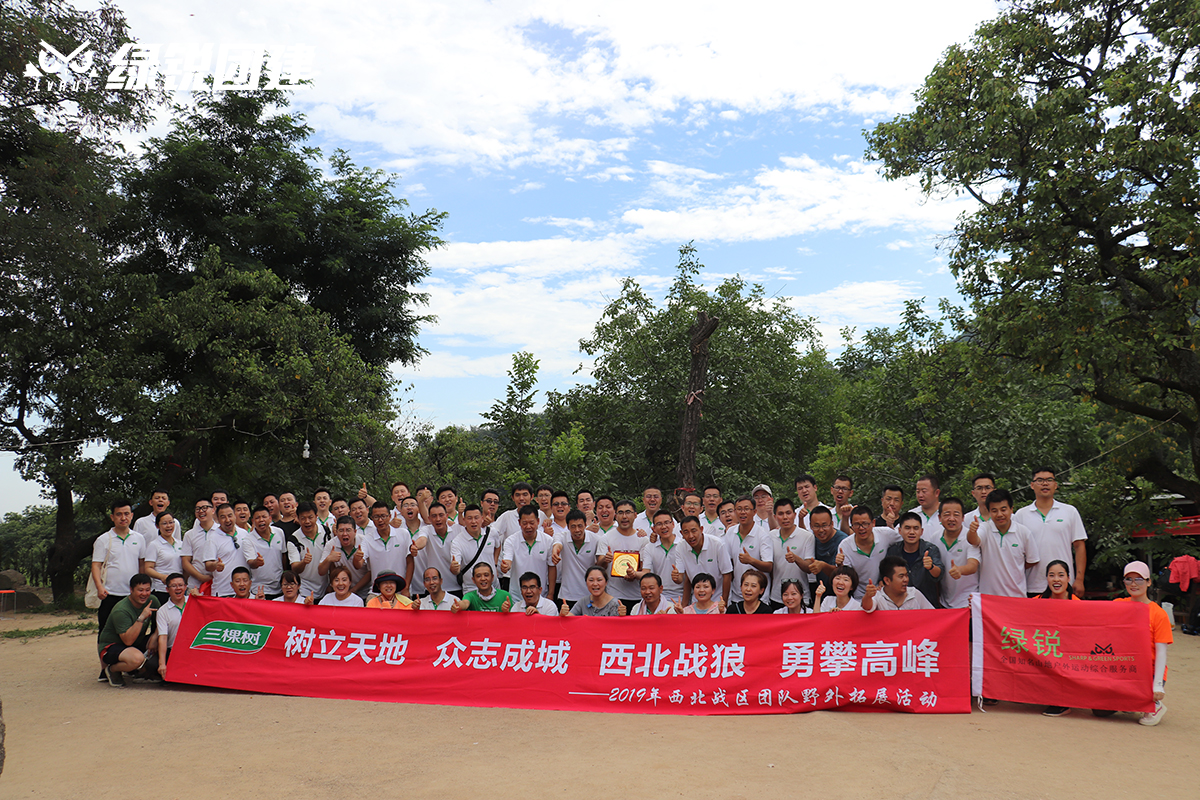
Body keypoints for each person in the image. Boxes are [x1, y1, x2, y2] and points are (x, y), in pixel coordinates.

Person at [1110, 560, 1171, 726]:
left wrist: (1158, 685)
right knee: (1101, 710)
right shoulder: (1117, 606)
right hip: (1123, 669)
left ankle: (1155, 704)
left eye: (1139, 579)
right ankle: (1130, 701)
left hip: (1147, 673)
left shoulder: (1158, 614)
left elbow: (1161, 651)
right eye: (1128, 579)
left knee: (1147, 719)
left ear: (1148, 582)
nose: (1133, 584)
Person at [91, 500, 146, 681]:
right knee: (106, 631)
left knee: (133, 631)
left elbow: (141, 565)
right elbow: (96, 566)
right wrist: (100, 587)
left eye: (127, 513)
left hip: (132, 596)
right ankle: (104, 668)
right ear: (112, 517)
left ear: (131, 515)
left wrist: (143, 589)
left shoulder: (139, 538)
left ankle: (128, 665)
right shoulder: (103, 539)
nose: (123, 517)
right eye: (119, 514)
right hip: (110, 594)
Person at [1014, 467, 1088, 597]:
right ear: (1032, 485)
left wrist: (1080, 579)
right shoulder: (1021, 515)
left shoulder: (1069, 512)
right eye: (1040, 480)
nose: (1045, 483)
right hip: (1032, 584)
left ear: (1055, 485)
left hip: (1063, 584)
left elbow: (1079, 546)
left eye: (1049, 480)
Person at [967, 489, 1039, 597]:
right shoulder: (985, 528)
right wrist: (972, 531)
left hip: (1017, 597)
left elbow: (1032, 560)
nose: (999, 514)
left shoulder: (1023, 532)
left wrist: (1013, 566)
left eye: (1003, 509)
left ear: (1011, 509)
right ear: (989, 511)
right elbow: (974, 540)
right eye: (994, 510)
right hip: (989, 598)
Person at [96, 573, 159, 687]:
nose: (144, 594)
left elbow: (161, 623)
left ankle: (145, 672)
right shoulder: (121, 610)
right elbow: (128, 641)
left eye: (147, 590)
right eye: (140, 590)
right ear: (131, 590)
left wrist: (155, 636)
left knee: (163, 639)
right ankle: (112, 670)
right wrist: (141, 618)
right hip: (112, 646)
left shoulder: (152, 600)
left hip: (135, 642)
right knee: (136, 659)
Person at [1037, 560, 1082, 717]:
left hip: (1069, 656)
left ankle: (1064, 701)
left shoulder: (1078, 605)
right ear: (1047, 579)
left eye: (1061, 575)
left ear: (1068, 578)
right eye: (1052, 575)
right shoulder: (1036, 603)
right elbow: (1012, 615)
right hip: (1045, 653)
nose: (1056, 579)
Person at [924, 497, 979, 609]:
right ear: (939, 518)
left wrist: (960, 570)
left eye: (956, 514)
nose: (951, 519)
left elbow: (973, 566)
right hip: (944, 602)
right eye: (947, 514)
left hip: (968, 602)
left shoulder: (970, 537)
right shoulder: (935, 537)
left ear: (963, 517)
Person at [836, 505, 901, 598]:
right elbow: (846, 577)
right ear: (852, 525)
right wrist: (840, 565)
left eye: (865, 524)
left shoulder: (886, 534)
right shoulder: (845, 546)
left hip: (885, 593)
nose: (861, 528)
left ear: (873, 523)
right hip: (859, 596)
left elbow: (905, 544)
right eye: (857, 524)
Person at [358, 501, 419, 600]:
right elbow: (359, 564)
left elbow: (410, 562)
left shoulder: (403, 534)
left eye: (383, 516)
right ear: (372, 519)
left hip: (400, 591)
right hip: (377, 593)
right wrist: (357, 559)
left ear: (389, 516)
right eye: (376, 517)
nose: (380, 520)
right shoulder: (367, 539)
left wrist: (406, 587)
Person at [595, 500, 645, 612]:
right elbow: (599, 566)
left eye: (628, 512)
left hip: (637, 596)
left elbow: (645, 568)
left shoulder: (643, 540)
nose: (624, 516)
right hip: (613, 595)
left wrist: (634, 574)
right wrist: (605, 559)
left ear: (635, 515)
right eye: (621, 513)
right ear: (616, 516)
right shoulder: (606, 538)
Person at [885, 512, 943, 607]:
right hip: (900, 606)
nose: (912, 532)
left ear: (921, 531)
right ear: (900, 531)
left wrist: (931, 567)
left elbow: (939, 574)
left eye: (916, 528)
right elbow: (885, 578)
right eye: (907, 528)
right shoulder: (893, 551)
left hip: (927, 605)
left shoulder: (931, 549)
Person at [674, 516, 733, 607]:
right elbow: (684, 578)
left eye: (694, 531)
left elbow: (727, 574)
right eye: (686, 532)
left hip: (718, 599)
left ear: (701, 529)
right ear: (681, 533)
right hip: (697, 601)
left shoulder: (717, 544)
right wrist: (676, 577)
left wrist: (723, 602)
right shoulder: (680, 547)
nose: (691, 536)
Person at [500, 504, 556, 600]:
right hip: (517, 596)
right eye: (524, 523)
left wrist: (551, 594)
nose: (528, 526)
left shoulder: (548, 541)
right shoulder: (511, 541)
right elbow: (508, 559)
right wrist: (506, 566)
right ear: (519, 522)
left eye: (532, 523)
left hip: (541, 596)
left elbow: (551, 568)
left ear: (538, 521)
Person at [769, 497, 815, 609]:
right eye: (780, 514)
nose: (785, 517)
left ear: (794, 515)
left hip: (800, 596)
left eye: (788, 513)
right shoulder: (770, 536)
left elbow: (810, 567)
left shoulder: (807, 536)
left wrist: (796, 559)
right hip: (776, 596)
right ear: (775, 517)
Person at [728, 495, 774, 604]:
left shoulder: (763, 534)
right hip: (736, 595)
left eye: (746, 509)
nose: (742, 512)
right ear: (735, 512)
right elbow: (729, 563)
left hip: (759, 597)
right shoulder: (730, 532)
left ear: (754, 512)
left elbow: (769, 566)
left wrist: (751, 560)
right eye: (739, 509)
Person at [550, 509, 600, 610]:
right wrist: (555, 551)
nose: (577, 530)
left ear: (586, 525)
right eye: (573, 526)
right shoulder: (561, 536)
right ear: (567, 526)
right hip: (567, 595)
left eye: (580, 526)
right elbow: (557, 544)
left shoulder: (596, 539)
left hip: (589, 595)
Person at [412, 501, 458, 597]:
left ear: (446, 516)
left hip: (456, 586)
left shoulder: (457, 529)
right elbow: (422, 540)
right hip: (433, 588)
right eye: (434, 516)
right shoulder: (426, 529)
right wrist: (415, 546)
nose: (438, 519)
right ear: (429, 518)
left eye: (441, 515)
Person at [203, 503, 249, 598]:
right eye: (223, 517)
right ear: (218, 519)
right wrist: (216, 565)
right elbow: (208, 565)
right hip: (223, 592)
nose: (227, 520)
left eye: (230, 516)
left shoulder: (244, 533)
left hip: (243, 591)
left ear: (235, 516)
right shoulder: (212, 537)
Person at [450, 504, 498, 596]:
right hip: (471, 590)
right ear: (464, 520)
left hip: (493, 586)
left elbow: (497, 546)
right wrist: (454, 568)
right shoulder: (457, 542)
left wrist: (495, 564)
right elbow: (456, 568)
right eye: (469, 518)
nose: (473, 522)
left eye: (476, 518)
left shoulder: (492, 532)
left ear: (482, 518)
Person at [287, 501, 332, 599]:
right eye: (303, 518)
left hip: (327, 588)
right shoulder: (293, 540)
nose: (307, 521)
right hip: (305, 589)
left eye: (310, 517)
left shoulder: (327, 532)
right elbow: (295, 568)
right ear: (298, 519)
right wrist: (303, 562)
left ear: (316, 517)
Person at [320, 515, 370, 598]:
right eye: (341, 530)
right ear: (336, 532)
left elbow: (369, 571)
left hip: (364, 591)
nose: (345, 534)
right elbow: (321, 572)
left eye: (348, 530)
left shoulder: (365, 541)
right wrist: (328, 559)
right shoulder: (331, 544)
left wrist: (354, 590)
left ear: (355, 531)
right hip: (341, 591)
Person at [143, 511, 183, 606]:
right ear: (157, 526)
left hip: (179, 590)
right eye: (164, 523)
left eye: (171, 522)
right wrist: (162, 577)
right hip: (162, 590)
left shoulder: (181, 544)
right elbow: (148, 568)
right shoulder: (154, 545)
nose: (168, 526)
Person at [244, 506, 285, 598]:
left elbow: (283, 555)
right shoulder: (248, 539)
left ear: (270, 518)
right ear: (253, 521)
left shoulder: (279, 532)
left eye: (264, 517)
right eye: (257, 518)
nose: (261, 520)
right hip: (259, 589)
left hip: (279, 587)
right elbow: (250, 562)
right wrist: (256, 562)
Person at [807, 506, 847, 599]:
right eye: (816, 526)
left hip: (840, 595)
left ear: (832, 524)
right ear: (811, 526)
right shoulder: (811, 539)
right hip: (820, 593)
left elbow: (843, 573)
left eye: (824, 525)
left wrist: (823, 566)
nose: (821, 530)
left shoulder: (842, 541)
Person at [155, 573, 188, 681]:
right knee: (152, 666)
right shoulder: (162, 611)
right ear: (167, 589)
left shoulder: (194, 601)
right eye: (174, 586)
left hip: (192, 649)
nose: (178, 588)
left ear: (185, 587)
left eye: (181, 585)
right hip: (173, 650)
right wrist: (162, 664)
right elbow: (163, 638)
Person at [560, 565, 625, 616]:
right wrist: (563, 614)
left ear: (606, 582)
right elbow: (568, 618)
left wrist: (622, 616)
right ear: (586, 582)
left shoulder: (614, 604)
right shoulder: (583, 601)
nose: (595, 584)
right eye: (591, 580)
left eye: (599, 580)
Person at [911, 474, 944, 538]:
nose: (920, 495)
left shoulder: (948, 514)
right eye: (918, 492)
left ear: (937, 493)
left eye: (924, 491)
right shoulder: (912, 514)